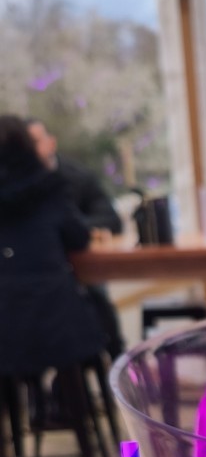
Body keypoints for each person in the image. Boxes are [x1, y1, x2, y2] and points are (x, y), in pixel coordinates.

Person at [0, 114, 105, 381]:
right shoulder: (49, 188)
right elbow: (78, 239)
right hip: (57, 325)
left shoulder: (70, 179)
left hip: (7, 331)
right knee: (98, 307)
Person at [27, 117, 125, 357]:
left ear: (51, 143)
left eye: (35, 142)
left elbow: (111, 220)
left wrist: (63, 229)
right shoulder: (16, 185)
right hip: (33, 283)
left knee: (93, 296)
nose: (30, 150)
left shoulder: (76, 177)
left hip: (77, 274)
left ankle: (112, 355)